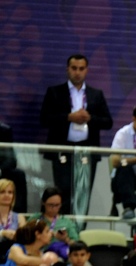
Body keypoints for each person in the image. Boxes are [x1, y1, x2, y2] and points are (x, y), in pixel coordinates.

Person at [40, 54, 113, 214]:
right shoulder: (55, 92)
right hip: (63, 150)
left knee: (83, 194)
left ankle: (78, 233)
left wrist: (90, 118)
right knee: (63, 192)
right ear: (68, 70)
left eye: (81, 69)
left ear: (87, 71)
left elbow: (108, 122)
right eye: (74, 68)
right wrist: (68, 117)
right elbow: (44, 119)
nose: (77, 72)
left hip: (87, 150)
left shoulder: (96, 94)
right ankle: (62, 229)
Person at [27, 187, 79, 256]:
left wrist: (65, 239)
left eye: (57, 205)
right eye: (51, 205)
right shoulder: (35, 219)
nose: (54, 208)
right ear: (43, 203)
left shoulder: (67, 222)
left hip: (61, 256)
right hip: (38, 254)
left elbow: (78, 246)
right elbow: (24, 239)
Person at [0, 122, 28, 214]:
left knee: (19, 175)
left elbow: (11, 160)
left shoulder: (4, 130)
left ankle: (18, 215)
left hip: (0, 171)